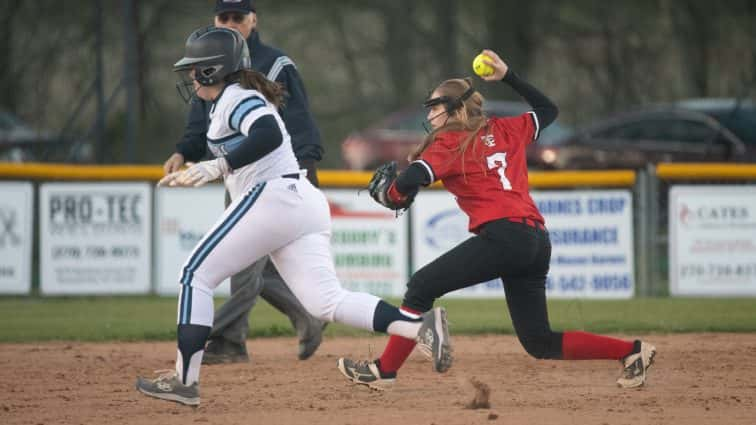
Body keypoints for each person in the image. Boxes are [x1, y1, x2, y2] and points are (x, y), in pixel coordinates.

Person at [136, 26, 451, 406]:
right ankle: (419, 327)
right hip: (300, 201)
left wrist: (217, 167)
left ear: (212, 70)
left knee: (194, 274)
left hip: (274, 197)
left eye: (196, 67)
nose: (190, 74)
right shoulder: (230, 100)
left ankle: (185, 381)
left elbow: (267, 134)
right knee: (325, 302)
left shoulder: (237, 97)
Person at [337, 49, 656, 391]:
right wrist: (509, 77)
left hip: (505, 237)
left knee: (420, 288)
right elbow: (549, 111)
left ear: (455, 108)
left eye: (435, 106)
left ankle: (385, 371)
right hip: (535, 240)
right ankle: (632, 352)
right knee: (539, 341)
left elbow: (412, 178)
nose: (430, 114)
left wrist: (392, 194)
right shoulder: (506, 129)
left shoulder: (450, 140)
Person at [163, 0, 325, 363]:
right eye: (225, 17)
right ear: (215, 20)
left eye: (239, 17)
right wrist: (182, 151)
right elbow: (199, 122)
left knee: (238, 265)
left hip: (278, 180)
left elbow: (297, 122)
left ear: (254, 19)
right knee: (258, 266)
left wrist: (304, 170)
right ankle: (308, 316)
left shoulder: (277, 63)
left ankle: (226, 341)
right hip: (239, 177)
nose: (232, 22)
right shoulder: (208, 63)